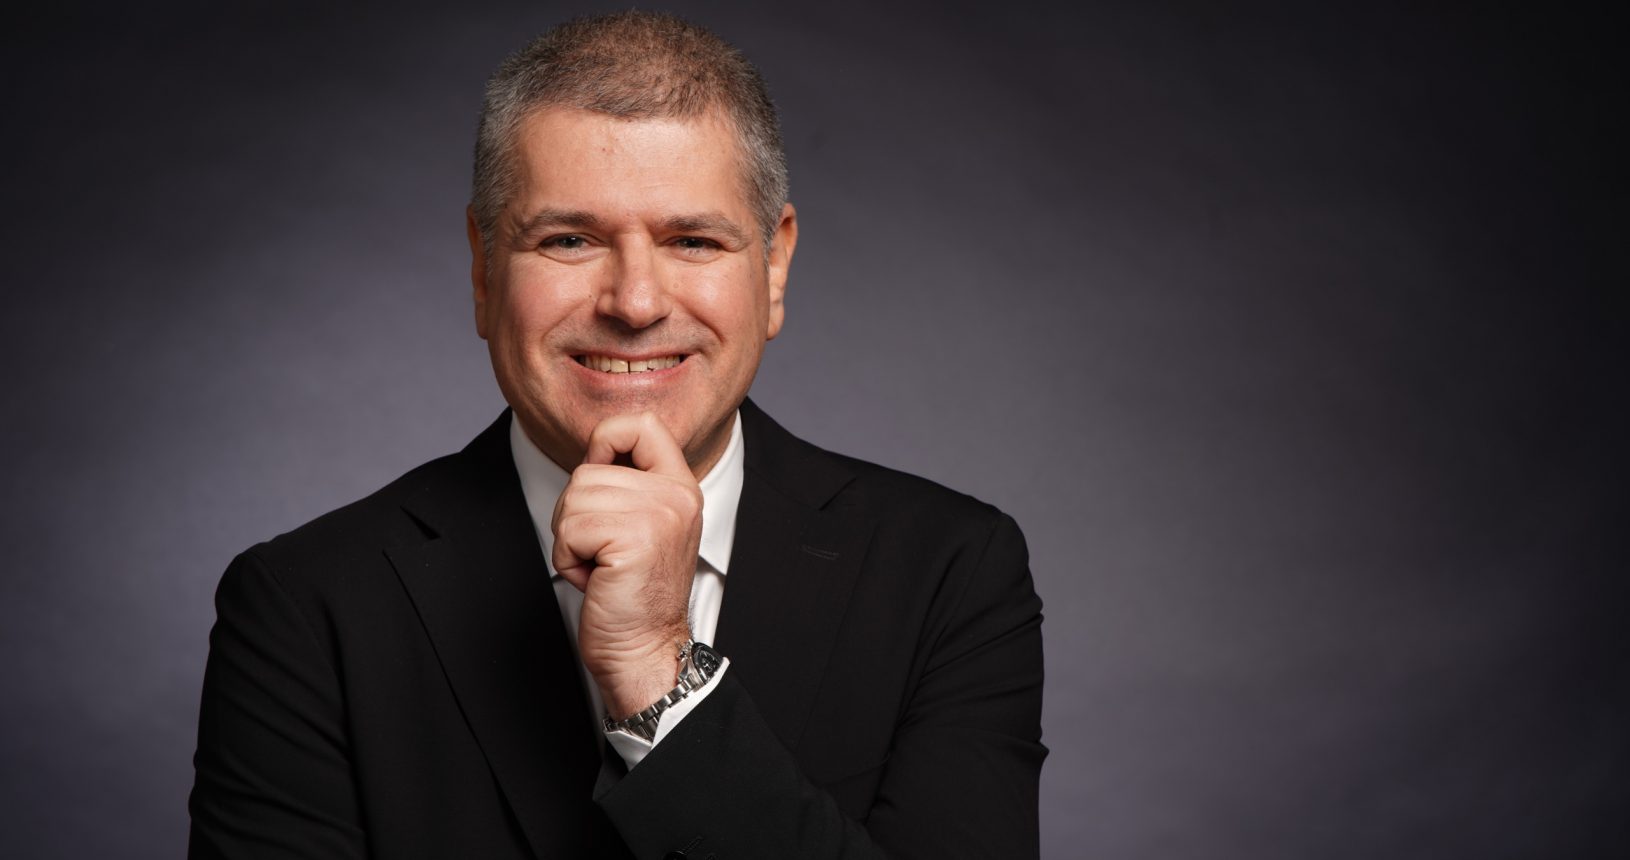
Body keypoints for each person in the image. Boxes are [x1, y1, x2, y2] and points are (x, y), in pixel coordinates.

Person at [188, 12, 1045, 859]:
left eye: (692, 240)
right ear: (484, 269)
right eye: (569, 239)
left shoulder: (950, 571)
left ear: (774, 267)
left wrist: (657, 673)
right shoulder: (305, 604)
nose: (635, 303)